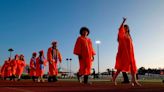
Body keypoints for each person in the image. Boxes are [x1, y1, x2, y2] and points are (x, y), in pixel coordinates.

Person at [112, 18, 141, 86]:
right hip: (123, 53)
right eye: (124, 27)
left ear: (128, 29)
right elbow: (119, 29)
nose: (125, 28)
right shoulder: (122, 35)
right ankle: (114, 78)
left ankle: (134, 81)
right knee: (120, 67)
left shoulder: (129, 36)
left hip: (130, 53)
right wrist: (123, 21)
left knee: (133, 66)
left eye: (126, 27)